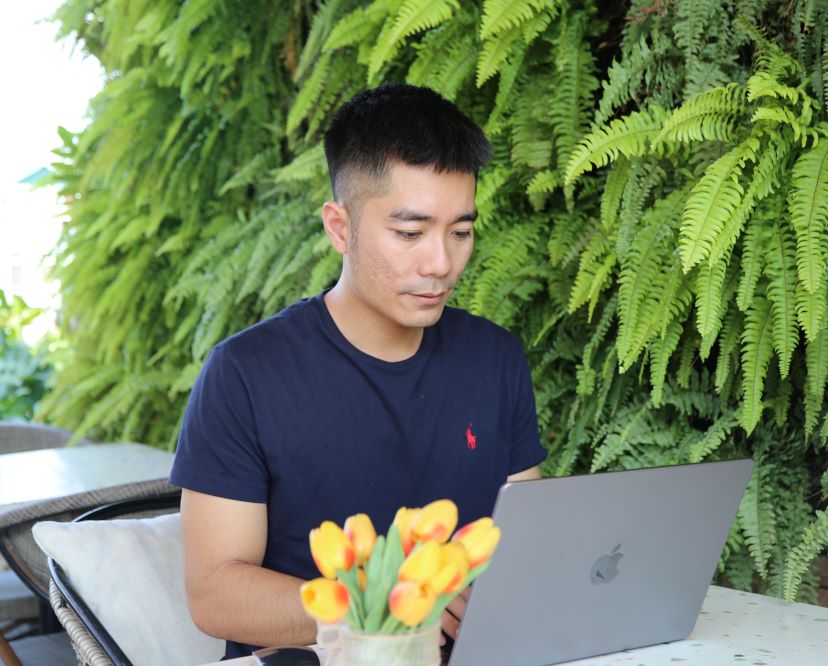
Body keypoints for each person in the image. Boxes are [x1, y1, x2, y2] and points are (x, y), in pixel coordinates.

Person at [170, 83, 546, 660]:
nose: (441, 263)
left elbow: (527, 547)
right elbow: (215, 594)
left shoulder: (495, 358)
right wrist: (386, 609)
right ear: (339, 226)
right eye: (410, 233)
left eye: (461, 232)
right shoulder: (245, 375)